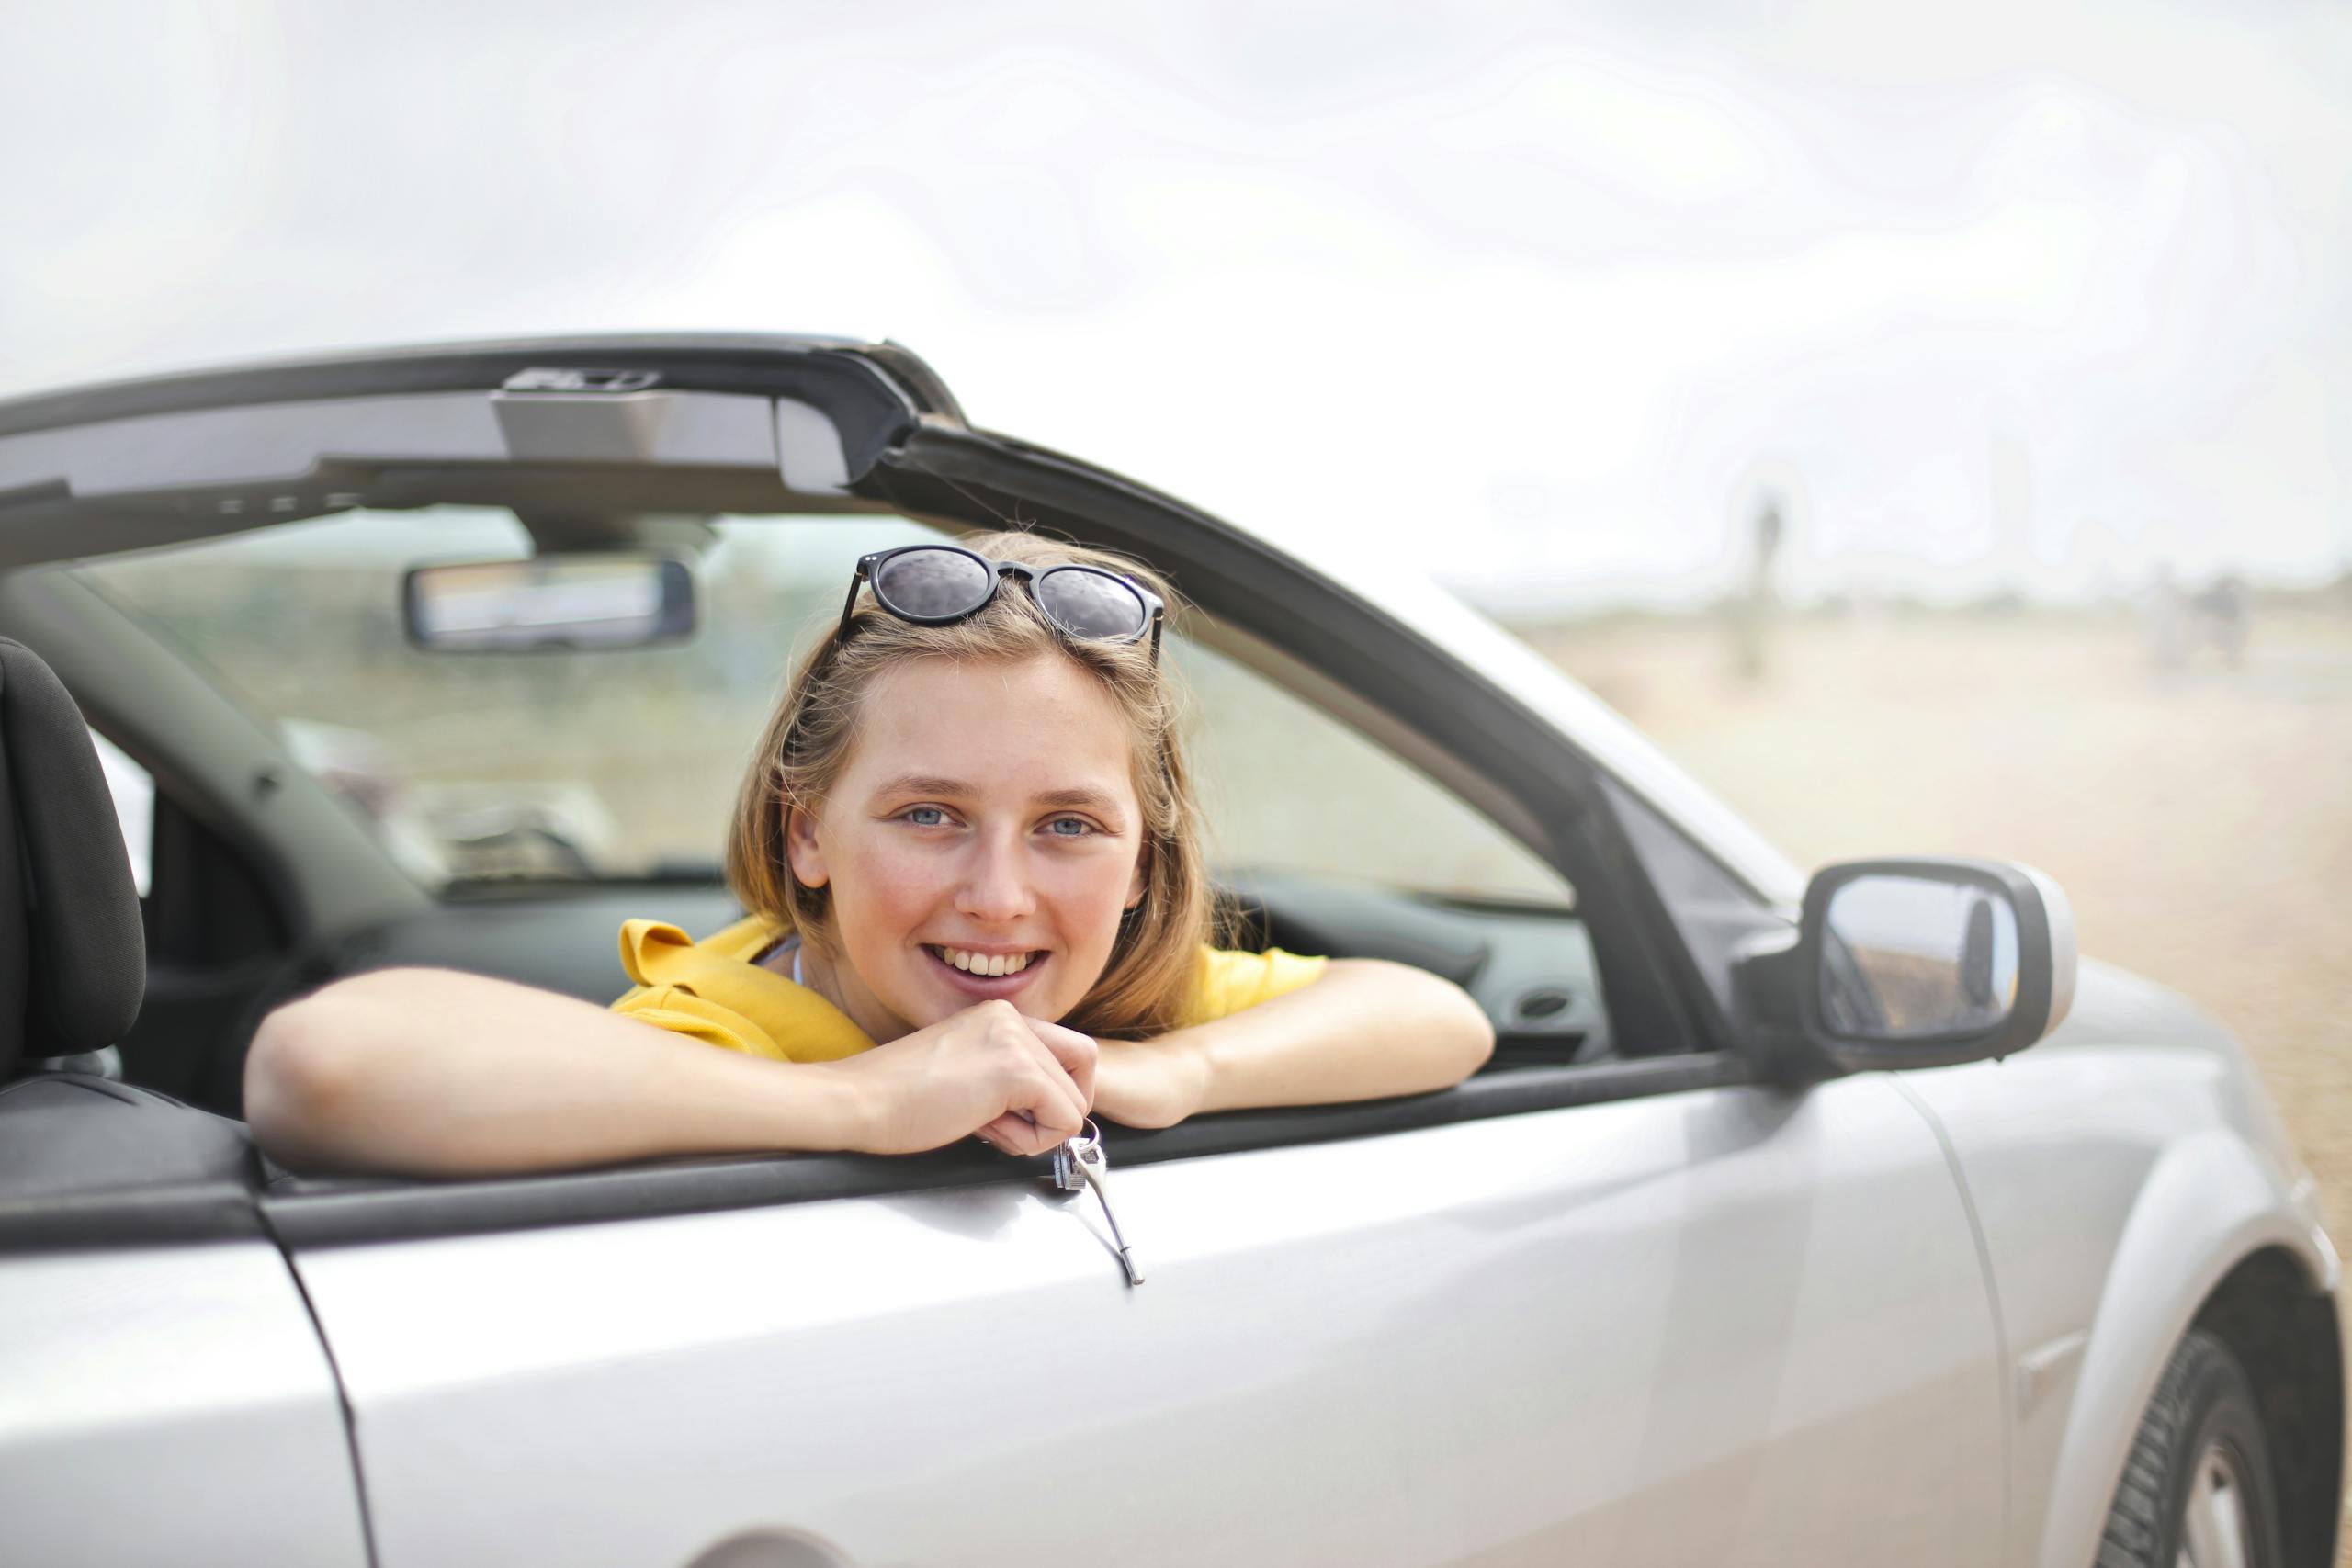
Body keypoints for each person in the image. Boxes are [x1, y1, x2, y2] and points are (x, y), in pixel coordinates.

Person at [245, 530, 1495, 1177]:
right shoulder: (733, 1028)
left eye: (1069, 826)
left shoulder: (1110, 1016)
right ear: (806, 829)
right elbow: (324, 1064)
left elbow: (1438, 1016)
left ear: (1145, 855)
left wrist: (1172, 1077)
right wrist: (851, 1104)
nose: (1000, 898)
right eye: (928, 815)